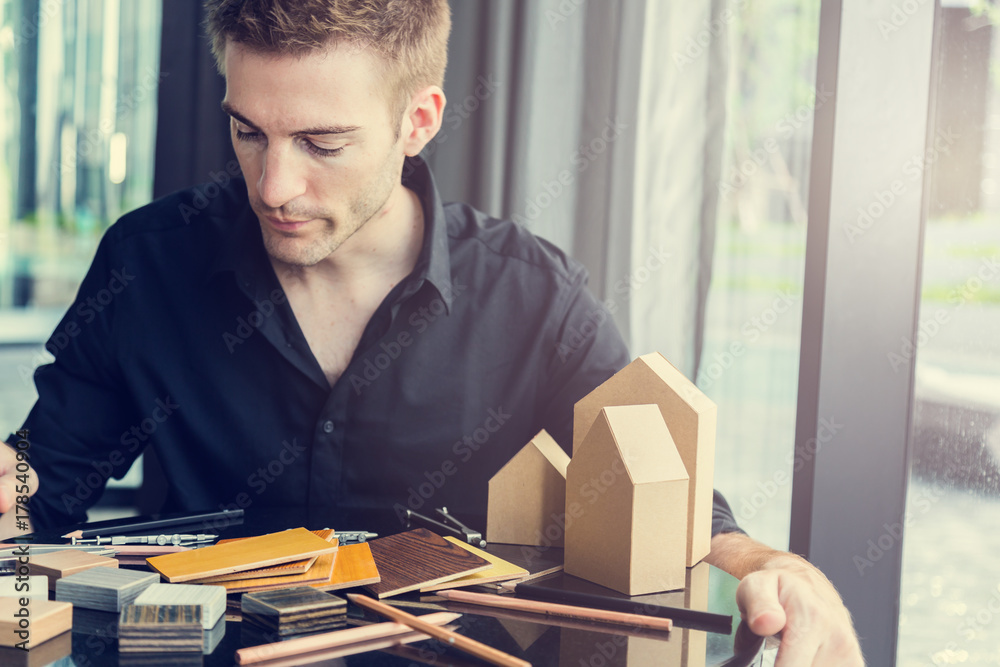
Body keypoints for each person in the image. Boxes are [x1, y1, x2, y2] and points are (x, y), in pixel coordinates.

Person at [0, 0, 863, 663]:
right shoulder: (149, 263)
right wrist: (14, 481)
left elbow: (653, 477)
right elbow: (48, 477)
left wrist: (772, 565)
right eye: (248, 132)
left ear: (419, 120)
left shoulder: (532, 296)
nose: (273, 184)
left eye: (321, 142)